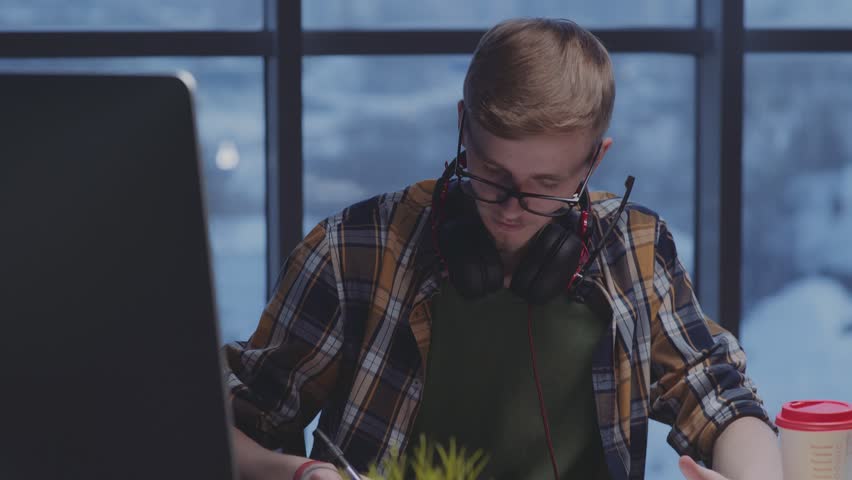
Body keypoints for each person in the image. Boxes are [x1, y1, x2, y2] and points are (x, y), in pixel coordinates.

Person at [224, 17, 783, 480]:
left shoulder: (635, 247)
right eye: (492, 174)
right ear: (463, 126)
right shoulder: (353, 249)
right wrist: (301, 474)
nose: (512, 208)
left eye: (545, 186)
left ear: (595, 160)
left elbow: (719, 397)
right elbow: (225, 426)